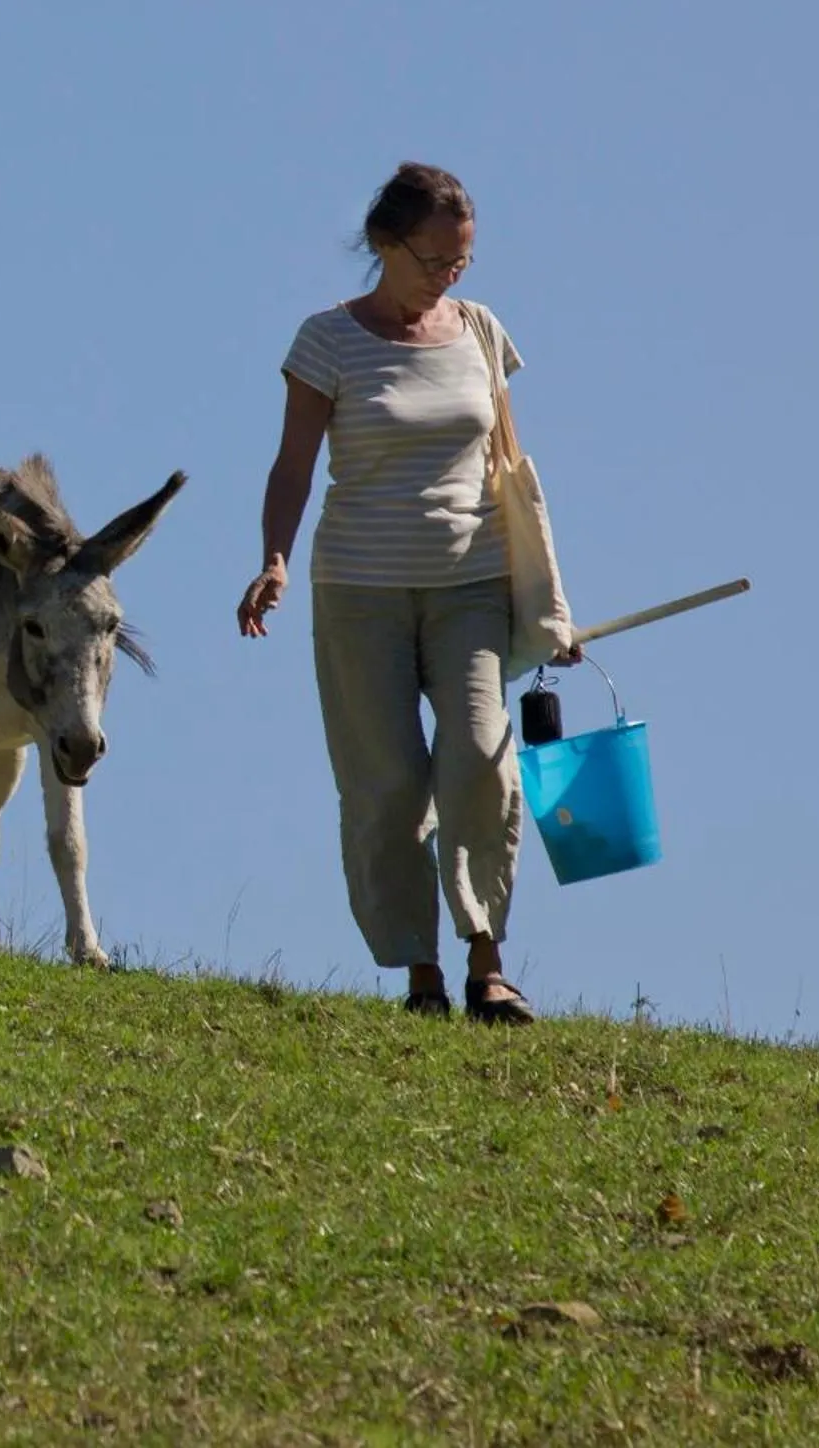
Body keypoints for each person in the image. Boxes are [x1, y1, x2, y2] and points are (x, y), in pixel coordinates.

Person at [237, 162, 572, 1024]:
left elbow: (515, 477)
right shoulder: (327, 341)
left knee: (479, 760)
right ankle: (420, 972)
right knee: (386, 784)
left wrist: (549, 604)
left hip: (470, 584)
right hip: (359, 589)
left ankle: (486, 963)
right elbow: (291, 467)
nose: (448, 276)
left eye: (460, 261)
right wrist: (274, 559)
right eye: (433, 259)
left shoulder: (483, 333)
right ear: (386, 244)